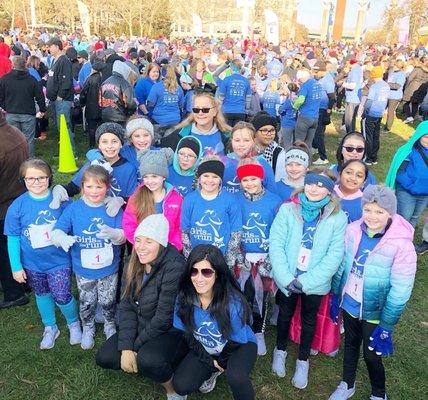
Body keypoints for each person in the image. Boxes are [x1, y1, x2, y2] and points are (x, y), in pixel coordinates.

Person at [329, 185, 417, 400]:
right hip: (350, 301)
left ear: (391, 213)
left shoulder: (402, 245)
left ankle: (379, 392)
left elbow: (401, 288)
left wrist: (387, 323)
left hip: (376, 311)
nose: (372, 216)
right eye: (368, 210)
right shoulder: (352, 230)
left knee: (371, 355)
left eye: (379, 211)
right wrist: (335, 294)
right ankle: (347, 383)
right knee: (350, 344)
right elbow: (343, 264)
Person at [269, 169, 347, 388]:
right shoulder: (288, 210)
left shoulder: (337, 217)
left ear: (330, 191)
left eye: (321, 186)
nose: (315, 188)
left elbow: (335, 255)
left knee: (309, 319)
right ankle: (280, 350)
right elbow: (276, 243)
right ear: (305, 185)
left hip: (315, 282)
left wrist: (307, 281)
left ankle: (303, 360)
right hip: (288, 277)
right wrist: (285, 277)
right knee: (284, 314)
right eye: (311, 183)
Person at [95, 214, 187, 400]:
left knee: (148, 360)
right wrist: (126, 346)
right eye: (137, 240)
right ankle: (144, 362)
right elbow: (127, 305)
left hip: (169, 330)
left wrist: (133, 348)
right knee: (105, 357)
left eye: (149, 242)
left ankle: (173, 389)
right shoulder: (133, 261)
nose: (141, 247)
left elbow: (164, 318)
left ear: (161, 243)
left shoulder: (175, 266)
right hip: (141, 321)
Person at [4, 159, 81, 349]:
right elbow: (13, 238)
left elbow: (74, 224)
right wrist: (16, 267)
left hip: (59, 261)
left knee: (62, 294)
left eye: (41, 177)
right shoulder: (18, 206)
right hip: (32, 263)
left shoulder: (61, 202)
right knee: (42, 293)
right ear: (23, 180)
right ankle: (50, 326)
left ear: (49, 178)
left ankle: (73, 322)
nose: (36, 182)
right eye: (30, 178)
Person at [51, 165, 126, 350]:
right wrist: (61, 238)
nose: (94, 191)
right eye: (89, 187)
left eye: (99, 187)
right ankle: (88, 327)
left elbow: (124, 234)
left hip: (109, 267)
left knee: (108, 300)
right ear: (82, 186)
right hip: (83, 269)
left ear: (107, 188)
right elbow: (58, 229)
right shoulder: (74, 209)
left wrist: (115, 234)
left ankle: (109, 324)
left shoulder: (112, 208)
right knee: (87, 300)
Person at [173, 244, 257, 400]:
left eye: (206, 272)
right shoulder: (183, 298)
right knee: (181, 385)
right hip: (206, 347)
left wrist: (221, 362)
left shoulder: (233, 303)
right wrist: (209, 361)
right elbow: (187, 333)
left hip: (240, 345)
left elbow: (235, 341)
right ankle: (212, 370)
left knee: (236, 377)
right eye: (194, 271)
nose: (199, 278)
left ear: (217, 274)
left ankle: (222, 369)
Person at [234, 159, 282, 356]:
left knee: (260, 296)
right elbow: (233, 229)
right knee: (242, 293)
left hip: (264, 256)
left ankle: (258, 331)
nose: (250, 184)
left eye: (253, 179)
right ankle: (242, 327)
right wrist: (238, 255)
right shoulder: (236, 200)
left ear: (261, 179)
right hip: (243, 256)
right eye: (245, 180)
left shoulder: (274, 201)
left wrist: (269, 258)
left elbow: (279, 232)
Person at [50, 123, 138, 217]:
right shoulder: (92, 164)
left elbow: (131, 200)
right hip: (90, 213)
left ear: (121, 144)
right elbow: (74, 187)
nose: (109, 146)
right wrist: (60, 189)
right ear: (99, 145)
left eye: (114, 141)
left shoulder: (129, 169)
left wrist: (120, 201)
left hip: (115, 216)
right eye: (104, 142)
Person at [181, 156, 242, 269]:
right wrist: (190, 260)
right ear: (199, 178)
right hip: (196, 259)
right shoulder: (190, 199)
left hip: (221, 259)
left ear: (220, 179)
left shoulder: (230, 200)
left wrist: (228, 263)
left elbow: (236, 234)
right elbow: (185, 232)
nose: (210, 180)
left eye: (215, 177)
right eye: (206, 176)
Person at [123, 149, 183, 251]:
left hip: (167, 250)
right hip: (143, 250)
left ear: (163, 176)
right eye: (146, 177)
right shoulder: (137, 196)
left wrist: (173, 246)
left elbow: (179, 226)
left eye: (154, 176)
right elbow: (129, 223)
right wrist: (140, 245)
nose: (150, 181)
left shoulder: (176, 198)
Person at [0, 109, 29, 309]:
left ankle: (14, 293)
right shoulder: (13, 131)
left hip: (4, 206)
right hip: (18, 200)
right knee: (17, 246)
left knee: (4, 251)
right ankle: (24, 283)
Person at [0, 56, 46, 156]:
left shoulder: (5, 79)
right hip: (27, 114)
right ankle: (29, 161)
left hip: (12, 113)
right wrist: (42, 109)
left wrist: (5, 107)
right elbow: (40, 95)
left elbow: (1, 96)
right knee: (28, 139)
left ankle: (16, 161)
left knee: (13, 140)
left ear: (12, 65)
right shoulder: (31, 79)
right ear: (25, 65)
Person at [385, 121, 428, 228]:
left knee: (415, 217)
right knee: (403, 217)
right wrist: (412, 186)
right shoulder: (408, 151)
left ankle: (407, 240)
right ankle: (396, 240)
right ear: (419, 136)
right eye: (426, 137)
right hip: (407, 192)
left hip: (424, 194)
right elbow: (400, 172)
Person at [161, 90, 231, 155]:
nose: (200, 113)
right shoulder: (180, 134)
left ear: (215, 111)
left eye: (205, 109)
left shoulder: (227, 136)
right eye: (196, 109)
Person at [223, 121, 276, 194]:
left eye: (246, 140)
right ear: (231, 140)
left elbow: (272, 192)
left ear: (254, 141)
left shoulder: (262, 163)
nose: (241, 144)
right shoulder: (224, 163)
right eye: (237, 140)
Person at [45, 37, 76, 155]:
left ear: (57, 46)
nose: (49, 49)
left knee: (65, 125)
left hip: (62, 100)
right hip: (55, 99)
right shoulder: (55, 60)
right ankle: (64, 149)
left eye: (50, 46)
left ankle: (71, 152)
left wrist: (60, 96)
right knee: (60, 126)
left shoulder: (64, 61)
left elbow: (66, 81)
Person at [361, 66, 390, 165]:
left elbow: (369, 102)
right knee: (375, 136)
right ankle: (374, 157)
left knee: (367, 136)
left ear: (373, 75)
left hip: (371, 113)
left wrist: (364, 113)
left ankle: (367, 158)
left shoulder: (374, 86)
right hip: (379, 113)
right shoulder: (386, 85)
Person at [147, 65, 184, 137]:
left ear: (161, 73)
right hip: (175, 120)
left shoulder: (156, 87)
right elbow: (181, 105)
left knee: (159, 143)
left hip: (159, 121)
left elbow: (150, 104)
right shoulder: (178, 88)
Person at [99, 60, 137, 126]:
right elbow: (130, 103)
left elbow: (99, 100)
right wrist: (131, 112)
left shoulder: (105, 82)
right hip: (121, 118)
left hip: (105, 116)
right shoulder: (124, 83)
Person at [216, 58, 252, 127]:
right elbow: (248, 99)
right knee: (238, 134)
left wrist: (225, 65)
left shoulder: (226, 80)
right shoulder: (246, 81)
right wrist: (246, 111)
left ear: (231, 68)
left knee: (227, 133)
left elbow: (221, 98)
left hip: (226, 111)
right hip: (240, 111)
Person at [313, 60, 336, 165]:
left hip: (323, 109)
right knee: (316, 131)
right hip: (319, 108)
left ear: (322, 71)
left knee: (319, 133)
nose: (315, 74)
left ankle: (323, 157)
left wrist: (328, 110)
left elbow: (332, 96)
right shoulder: (322, 78)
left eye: (316, 72)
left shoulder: (327, 80)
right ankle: (314, 147)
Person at [293, 69, 323, 148]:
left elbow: (300, 100)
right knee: (308, 143)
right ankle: (309, 159)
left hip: (305, 117)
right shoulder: (317, 84)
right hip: (315, 117)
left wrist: (295, 107)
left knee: (299, 143)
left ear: (300, 78)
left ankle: (298, 159)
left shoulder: (305, 86)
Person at [121, 116, 157, 181]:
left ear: (152, 136)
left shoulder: (159, 153)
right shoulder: (123, 152)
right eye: (137, 136)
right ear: (131, 139)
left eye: (146, 135)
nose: (142, 140)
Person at [252, 111, 286, 180]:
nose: (269, 134)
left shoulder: (279, 153)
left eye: (272, 130)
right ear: (255, 132)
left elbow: (279, 179)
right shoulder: (247, 149)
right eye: (264, 130)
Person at [79, 61, 104, 147]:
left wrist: (82, 104)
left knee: (91, 128)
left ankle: (92, 145)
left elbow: (83, 93)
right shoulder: (104, 79)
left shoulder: (90, 79)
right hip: (102, 107)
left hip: (91, 107)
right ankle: (101, 144)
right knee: (101, 128)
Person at [385, 59, 406, 132]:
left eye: (394, 65)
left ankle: (388, 128)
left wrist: (386, 84)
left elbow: (397, 86)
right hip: (388, 95)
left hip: (394, 96)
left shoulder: (401, 74)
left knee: (390, 112)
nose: (393, 66)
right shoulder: (392, 72)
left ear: (398, 66)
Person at [342, 59, 363, 133]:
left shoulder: (354, 71)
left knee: (349, 120)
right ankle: (351, 136)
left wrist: (343, 84)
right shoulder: (359, 69)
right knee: (352, 119)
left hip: (351, 98)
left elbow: (352, 86)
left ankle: (349, 137)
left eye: (346, 63)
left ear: (349, 62)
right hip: (356, 98)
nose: (346, 65)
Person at [278, 83, 298, 149]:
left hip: (286, 123)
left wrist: (280, 107)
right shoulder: (298, 99)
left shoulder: (288, 101)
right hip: (295, 122)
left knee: (287, 144)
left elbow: (281, 111)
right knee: (294, 143)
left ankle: (287, 158)